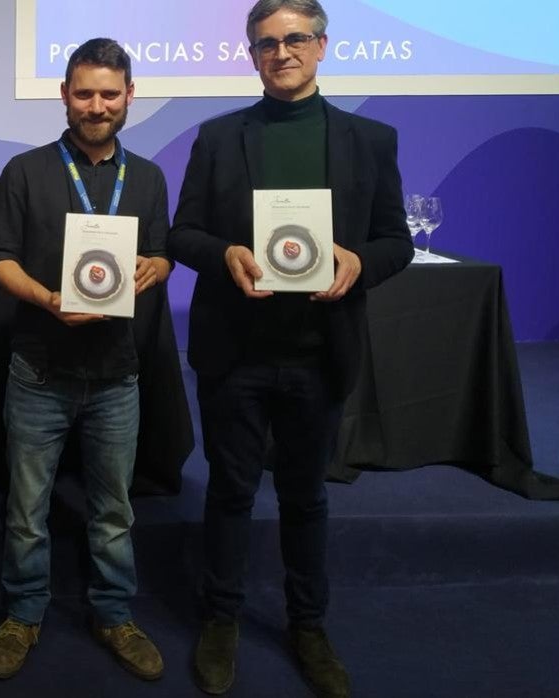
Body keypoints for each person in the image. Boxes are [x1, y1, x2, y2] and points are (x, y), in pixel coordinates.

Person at [166, 2, 413, 696]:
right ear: (252, 55)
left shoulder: (371, 140)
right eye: (266, 43)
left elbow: (395, 241)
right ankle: (221, 619)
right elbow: (183, 234)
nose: (281, 52)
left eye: (295, 38)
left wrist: (361, 263)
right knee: (231, 492)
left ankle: (308, 624)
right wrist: (227, 255)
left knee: (306, 499)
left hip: (319, 353)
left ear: (322, 46)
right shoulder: (217, 138)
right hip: (234, 354)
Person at [0, 37, 173, 682]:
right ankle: (24, 613)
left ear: (129, 97)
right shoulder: (26, 172)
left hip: (118, 375)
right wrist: (44, 298)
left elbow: (163, 252)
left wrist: (159, 264)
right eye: (84, 92)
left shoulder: (146, 177)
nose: (97, 105)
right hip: (38, 372)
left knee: (114, 513)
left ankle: (114, 613)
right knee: (26, 513)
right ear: (64, 95)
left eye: (109, 93)